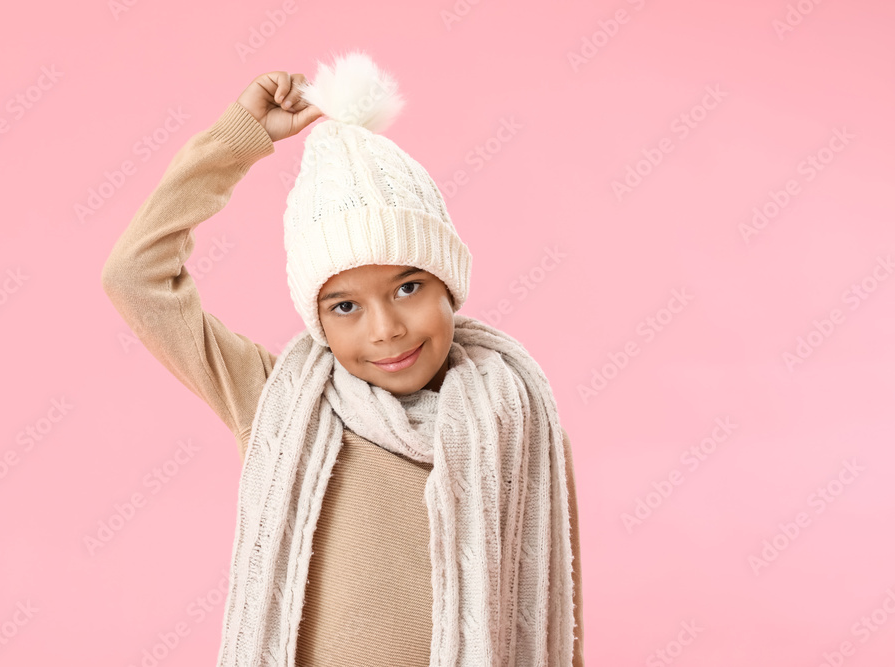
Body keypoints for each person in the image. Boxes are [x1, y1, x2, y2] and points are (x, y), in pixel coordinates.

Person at [101, 50, 584, 666]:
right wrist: (239, 141)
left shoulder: (515, 418)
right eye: (345, 307)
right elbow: (134, 276)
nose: (385, 330)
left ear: (449, 287)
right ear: (318, 320)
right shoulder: (279, 399)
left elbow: (553, 616)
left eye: (408, 288)